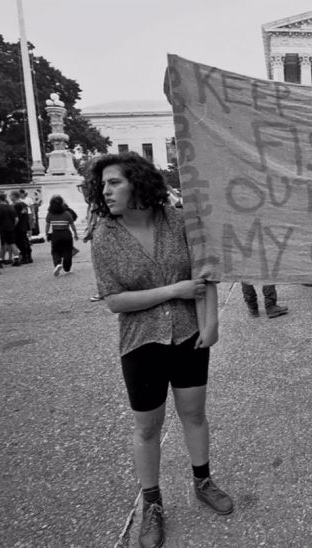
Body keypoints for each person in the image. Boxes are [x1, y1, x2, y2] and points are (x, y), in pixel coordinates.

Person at [84, 152, 232, 548]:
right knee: (148, 427)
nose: (106, 190)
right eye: (103, 185)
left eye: (114, 182)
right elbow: (115, 300)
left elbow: (207, 272)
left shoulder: (179, 222)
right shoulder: (105, 236)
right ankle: (152, 505)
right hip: (141, 342)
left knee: (194, 414)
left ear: (137, 182)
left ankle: (203, 480)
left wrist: (212, 322)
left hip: (188, 336)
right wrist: (173, 291)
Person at [45, 195, 79, 276]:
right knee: (67, 250)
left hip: (55, 234)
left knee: (55, 251)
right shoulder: (67, 213)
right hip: (66, 233)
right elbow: (72, 225)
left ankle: (57, 263)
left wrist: (47, 234)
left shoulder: (50, 214)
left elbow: (47, 225)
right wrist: (75, 233)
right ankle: (67, 268)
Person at [0, 192, 17, 267]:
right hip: (10, 227)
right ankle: (16, 258)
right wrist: (12, 225)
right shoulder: (10, 206)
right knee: (12, 243)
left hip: (0, 228)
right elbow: (16, 219)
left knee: (0, 245)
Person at [10, 190, 32, 265]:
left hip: (18, 226)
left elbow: (16, 217)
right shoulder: (24, 204)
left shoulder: (16, 205)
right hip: (24, 226)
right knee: (25, 241)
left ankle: (24, 256)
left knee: (20, 242)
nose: (10, 197)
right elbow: (26, 216)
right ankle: (28, 256)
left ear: (14, 196)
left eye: (10, 195)